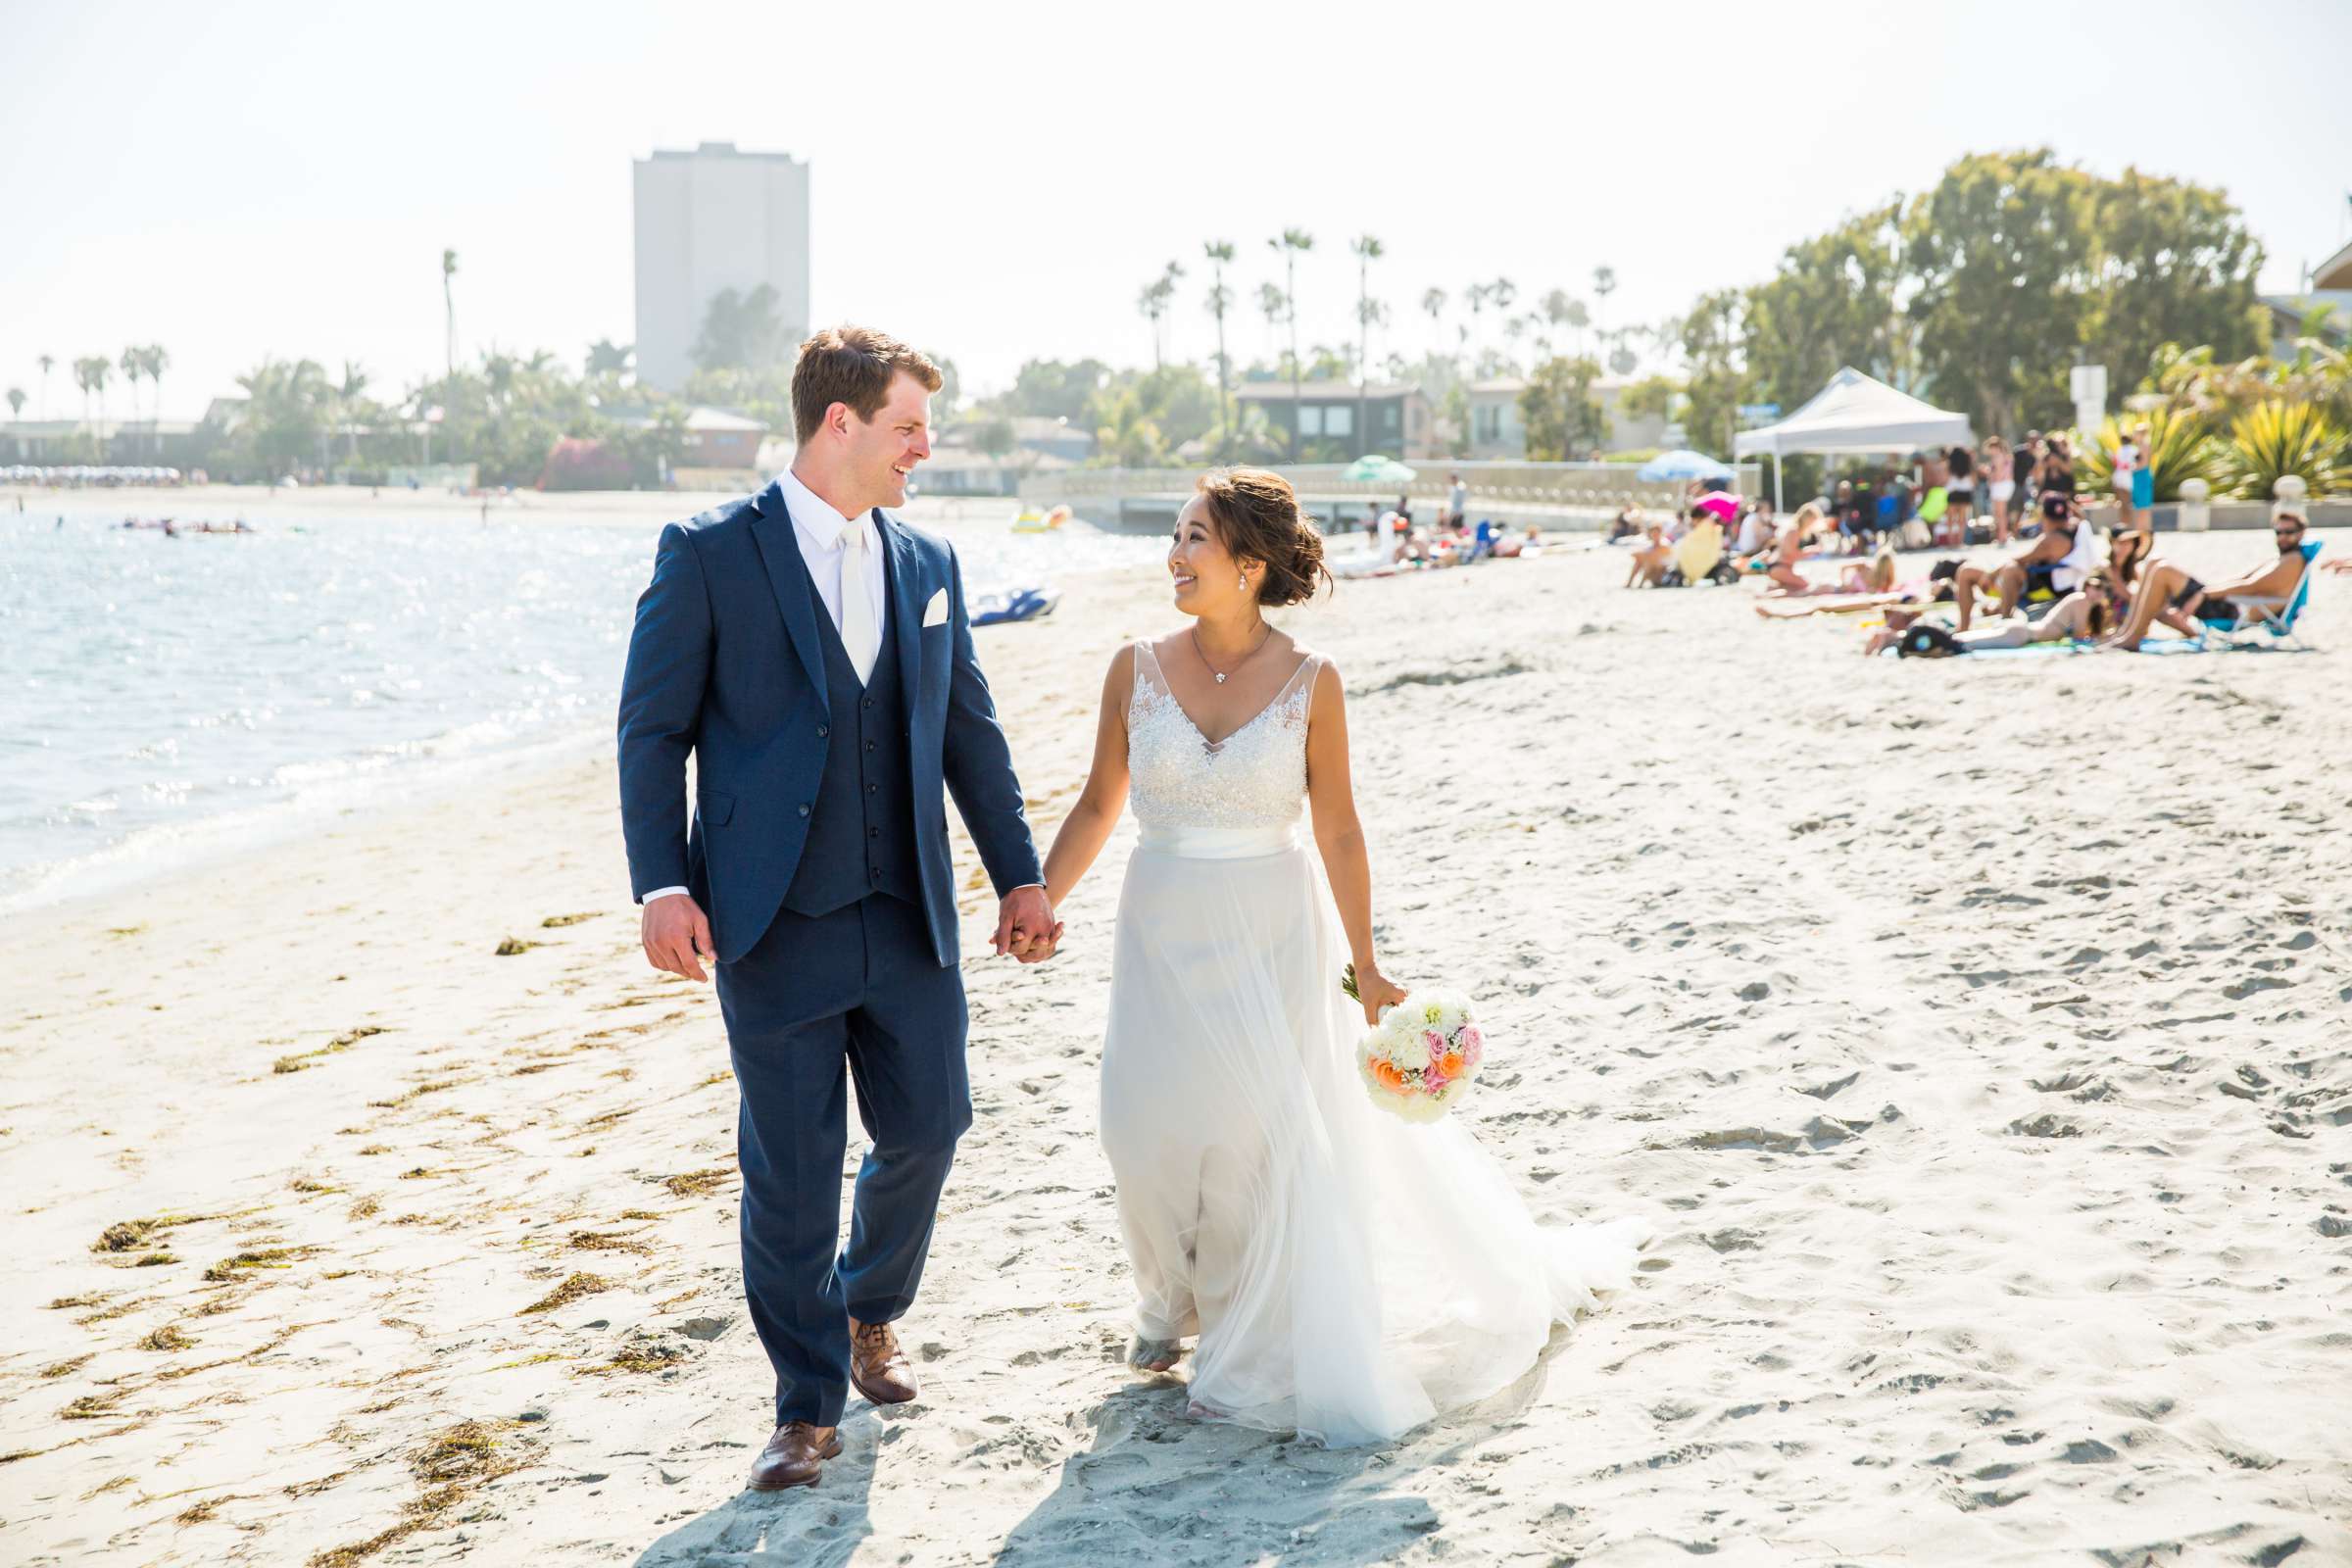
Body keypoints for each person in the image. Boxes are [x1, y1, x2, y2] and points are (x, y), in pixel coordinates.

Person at [1034, 466, 1650, 1443]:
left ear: (1249, 565)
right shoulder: (1133, 665)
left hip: (1272, 925)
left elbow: (1341, 832)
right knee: (1138, 1125)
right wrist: (1038, 896)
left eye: (1196, 539)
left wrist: (1366, 964)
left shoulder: (1314, 682)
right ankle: (1165, 1295)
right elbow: (1099, 802)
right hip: (1159, 920)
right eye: (1179, 535)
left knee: (1246, 1140)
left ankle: (1227, 1329)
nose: (1176, 555)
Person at [615, 326, 1059, 1493]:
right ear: (841, 422)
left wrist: (1019, 873)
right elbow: (652, 729)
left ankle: (870, 1307)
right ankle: (806, 1406)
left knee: (931, 1128)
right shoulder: (710, 553)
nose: (926, 448)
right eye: (911, 426)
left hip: (907, 912)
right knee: (793, 1173)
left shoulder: (928, 562)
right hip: (768, 923)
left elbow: (970, 729)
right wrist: (662, 882)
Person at [2098, 508, 2314, 651]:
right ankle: (2127, 633)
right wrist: (2208, 589)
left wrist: (2204, 594)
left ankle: (2131, 638)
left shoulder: (2293, 560)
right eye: (2278, 532)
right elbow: (2243, 578)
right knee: (2155, 562)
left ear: (2302, 533)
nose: (2283, 536)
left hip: (2233, 610)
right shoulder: (2281, 558)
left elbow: (2251, 586)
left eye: (2289, 532)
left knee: (2161, 569)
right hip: (2227, 603)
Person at [1867, 568, 2125, 656]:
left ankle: (1892, 636)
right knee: (1960, 646)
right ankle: (1893, 637)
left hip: (2019, 630)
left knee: (1959, 642)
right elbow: (2081, 636)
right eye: (2093, 586)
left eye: (2100, 589)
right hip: (2022, 635)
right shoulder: (2080, 601)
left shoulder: (2081, 601)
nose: (2095, 592)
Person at [1950, 492, 2094, 630]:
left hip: (2041, 589)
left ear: (2043, 515)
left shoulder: (2052, 540)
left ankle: (1998, 621)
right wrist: (2062, 502)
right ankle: (1992, 614)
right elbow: (2081, 517)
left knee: (1973, 572)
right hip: (2047, 582)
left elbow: (2021, 559)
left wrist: (1991, 574)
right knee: (1979, 570)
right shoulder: (2074, 527)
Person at [1983, 436, 2015, 542]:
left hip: (2000, 485)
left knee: (2000, 513)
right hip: (2004, 485)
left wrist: (1991, 476)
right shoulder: (2006, 456)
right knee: (2001, 512)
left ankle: (2002, 536)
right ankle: (2002, 534)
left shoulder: (1998, 457)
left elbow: (1999, 474)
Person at [1943, 444, 1975, 542]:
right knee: (1962, 518)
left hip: (1953, 492)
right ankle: (1960, 540)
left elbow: (1945, 479)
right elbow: (1974, 480)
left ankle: (1950, 540)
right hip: (1965, 492)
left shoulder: (1949, 465)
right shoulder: (1968, 465)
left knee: (1950, 518)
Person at [2111, 426, 2140, 531]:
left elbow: (2114, 462)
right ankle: (2127, 524)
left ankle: (2124, 523)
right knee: (2127, 502)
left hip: (2119, 476)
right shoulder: (2134, 449)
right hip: (2127, 477)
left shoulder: (2119, 450)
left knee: (2123, 503)